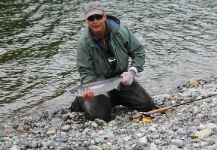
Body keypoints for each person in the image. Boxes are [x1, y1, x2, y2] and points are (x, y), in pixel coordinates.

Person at [71, 1, 155, 122]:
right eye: (91, 18)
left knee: (148, 105)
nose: (95, 21)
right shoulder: (83, 43)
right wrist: (88, 89)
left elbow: (138, 51)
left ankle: (114, 99)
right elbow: (86, 71)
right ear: (86, 21)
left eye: (98, 17)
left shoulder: (121, 31)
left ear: (104, 16)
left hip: (120, 80)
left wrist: (132, 71)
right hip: (98, 86)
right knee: (100, 118)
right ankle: (81, 101)